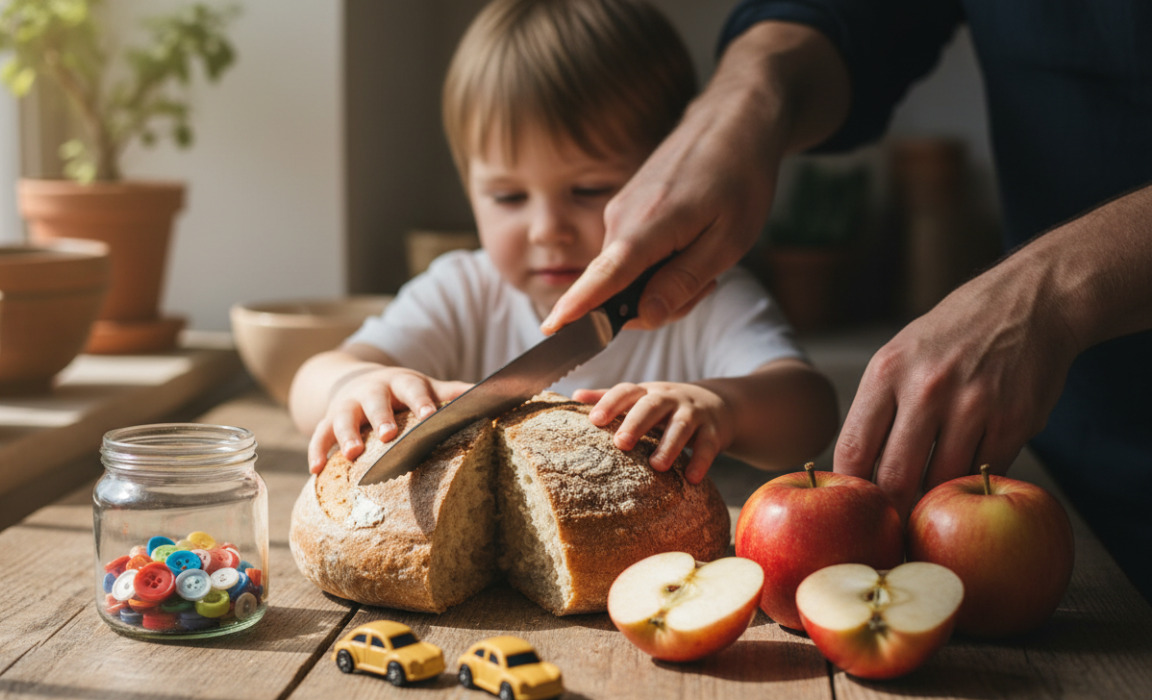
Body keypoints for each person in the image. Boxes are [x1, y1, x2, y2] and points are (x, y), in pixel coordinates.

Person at [540, 0, 1152, 601]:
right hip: (1061, 444)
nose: (547, 226)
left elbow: (804, 409)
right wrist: (751, 93)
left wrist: (1048, 292)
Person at [289, 0, 838, 485]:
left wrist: (722, 407)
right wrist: (360, 383)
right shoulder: (462, 290)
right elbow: (310, 381)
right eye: (508, 196)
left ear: (675, 177)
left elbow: (810, 410)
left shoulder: (699, 293)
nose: (546, 229)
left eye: (588, 189)